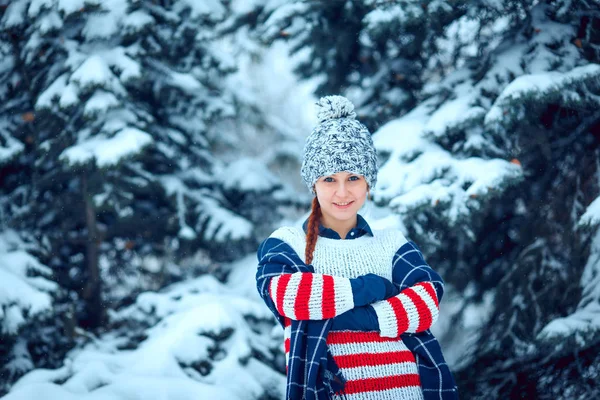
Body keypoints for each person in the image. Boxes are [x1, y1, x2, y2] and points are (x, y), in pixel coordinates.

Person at [256, 96, 458, 400]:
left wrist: (347, 317)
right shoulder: (288, 243)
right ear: (314, 184)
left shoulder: (391, 243)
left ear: (368, 182)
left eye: (353, 177)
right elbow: (289, 297)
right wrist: (372, 287)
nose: (342, 191)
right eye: (329, 179)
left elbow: (426, 302)